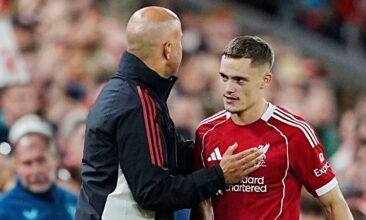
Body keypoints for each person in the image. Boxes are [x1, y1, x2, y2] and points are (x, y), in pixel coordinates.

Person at [75, 6, 263, 220]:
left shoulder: (128, 93)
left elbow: (172, 154)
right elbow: (153, 192)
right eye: (180, 41)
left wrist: (224, 146)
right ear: (169, 50)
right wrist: (219, 176)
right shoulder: (138, 102)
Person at [191, 36, 353, 219]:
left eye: (239, 80)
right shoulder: (206, 132)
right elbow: (202, 202)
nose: (228, 88)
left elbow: (334, 203)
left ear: (265, 80)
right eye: (224, 77)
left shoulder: (295, 133)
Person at [0, 114, 78, 220]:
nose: (36, 170)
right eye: (27, 163)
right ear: (16, 164)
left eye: (41, 160)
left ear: (54, 158)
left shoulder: (73, 201)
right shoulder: (4, 209)